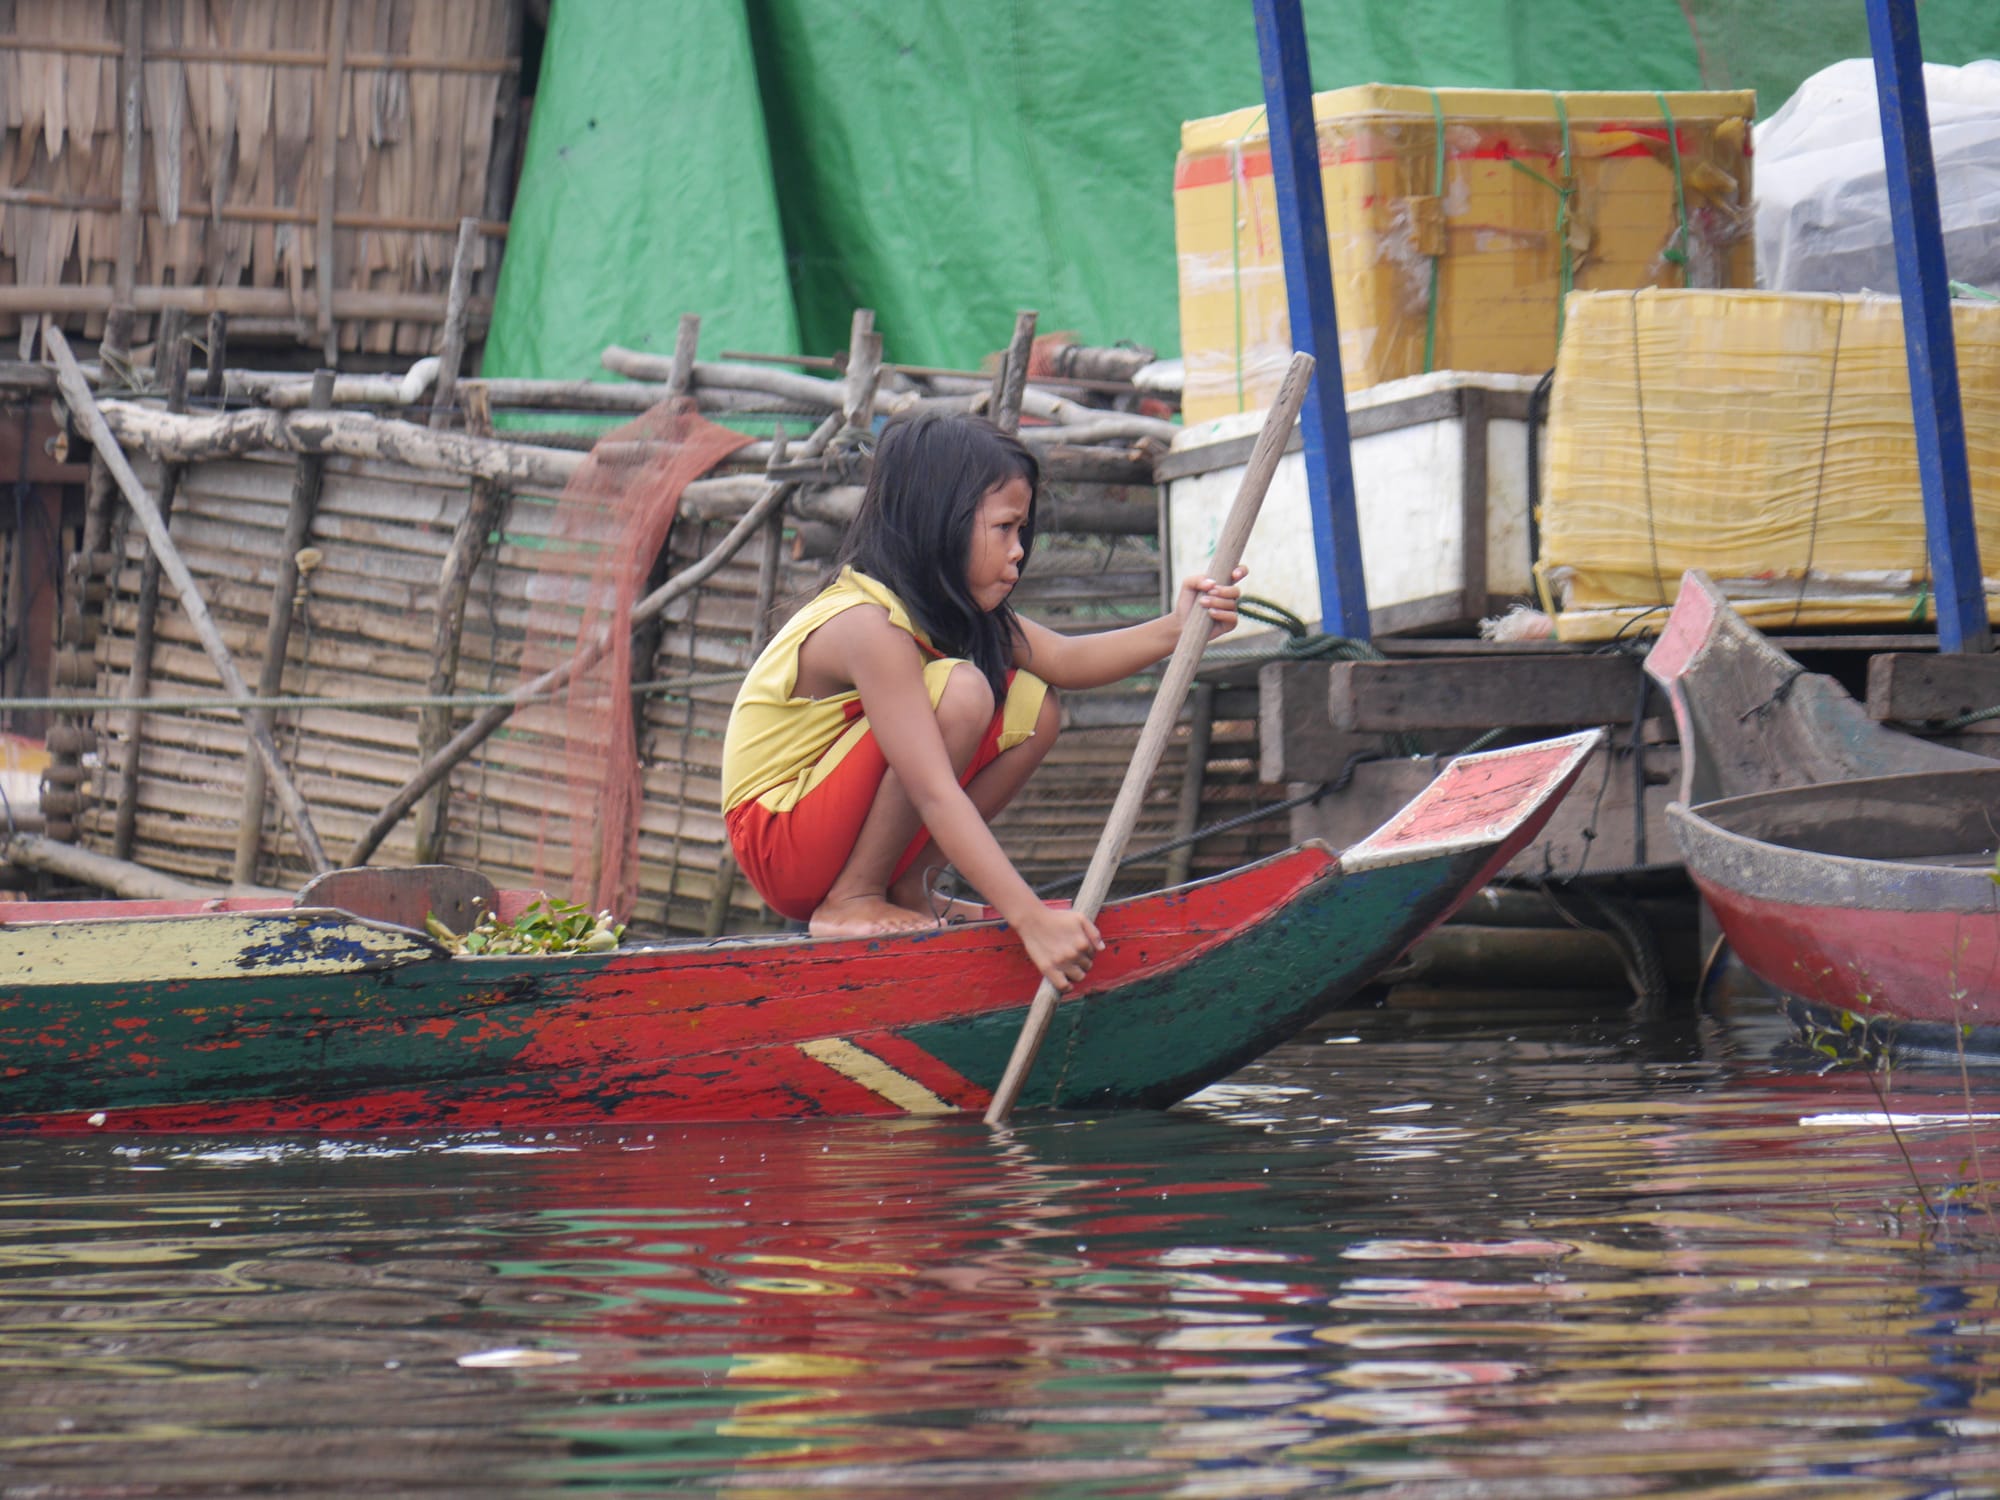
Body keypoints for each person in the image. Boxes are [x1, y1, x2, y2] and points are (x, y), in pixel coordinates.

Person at [720, 410, 1243, 994]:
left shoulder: (951, 614)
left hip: (826, 830)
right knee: (966, 690)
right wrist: (1031, 920)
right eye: (1004, 529)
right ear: (939, 523)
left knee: (1033, 707)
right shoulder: (867, 625)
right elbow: (932, 790)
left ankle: (908, 889)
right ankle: (852, 900)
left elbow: (1068, 661)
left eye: (1022, 532)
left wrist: (1178, 626)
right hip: (777, 835)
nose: (1019, 551)